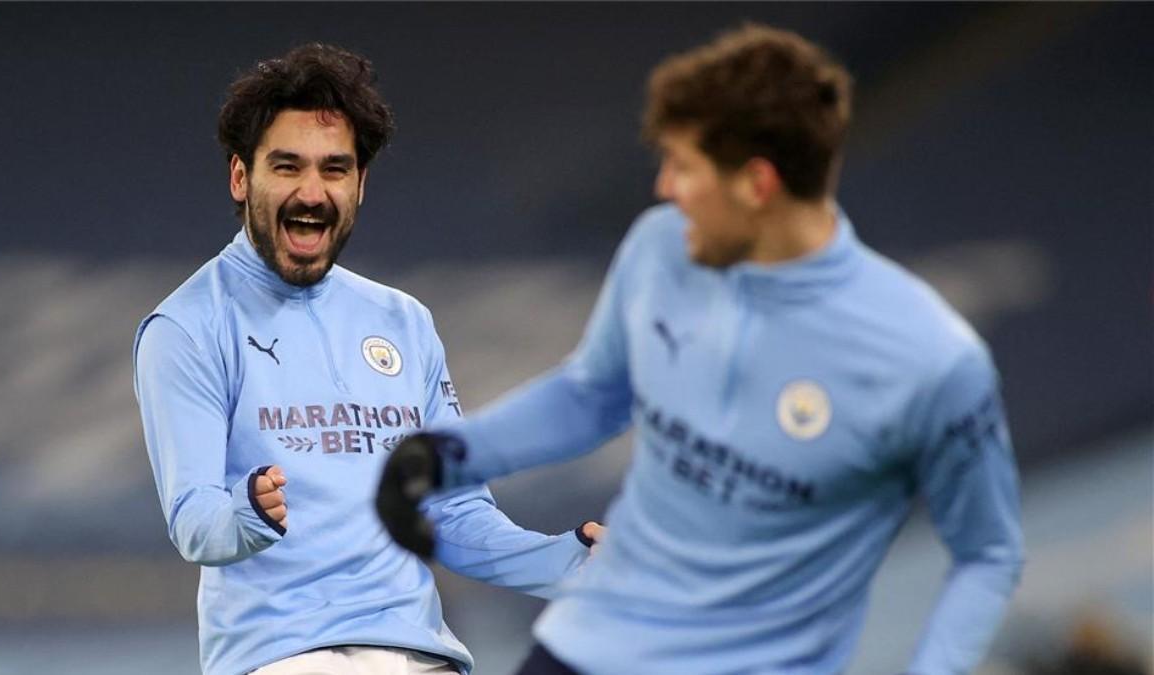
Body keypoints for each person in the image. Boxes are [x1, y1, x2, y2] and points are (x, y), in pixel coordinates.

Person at [376, 23, 1025, 675]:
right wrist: (445, 456)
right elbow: (593, 394)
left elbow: (986, 553)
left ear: (757, 184)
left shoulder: (932, 358)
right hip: (588, 645)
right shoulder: (661, 247)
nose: (665, 187)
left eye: (684, 166)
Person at [133, 43, 601, 675]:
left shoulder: (403, 322)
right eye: (287, 166)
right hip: (286, 657)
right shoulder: (187, 326)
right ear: (242, 178)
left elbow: (451, 513)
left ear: (360, 184)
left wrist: (567, 563)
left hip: (424, 656)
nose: (312, 191)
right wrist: (248, 510)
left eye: (334, 168)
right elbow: (195, 521)